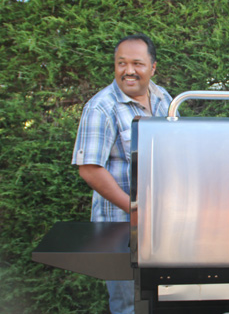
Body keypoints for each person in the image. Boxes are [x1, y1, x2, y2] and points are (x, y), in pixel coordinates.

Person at [71, 33, 173, 314]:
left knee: (163, 298)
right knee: (129, 304)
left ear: (153, 68)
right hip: (119, 225)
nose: (129, 71)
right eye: (121, 63)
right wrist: (134, 207)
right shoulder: (101, 107)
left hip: (160, 223)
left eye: (137, 64)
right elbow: (90, 169)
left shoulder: (163, 97)